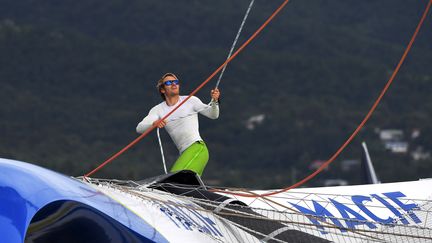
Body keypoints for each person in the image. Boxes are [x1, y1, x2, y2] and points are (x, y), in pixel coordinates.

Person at [136, 73, 220, 177]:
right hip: (184, 153)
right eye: (168, 83)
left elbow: (213, 115)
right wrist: (154, 124)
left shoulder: (190, 100)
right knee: (185, 187)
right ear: (162, 90)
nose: (174, 84)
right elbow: (140, 128)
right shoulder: (158, 110)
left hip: (197, 148)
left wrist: (215, 101)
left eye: (176, 82)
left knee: (173, 179)